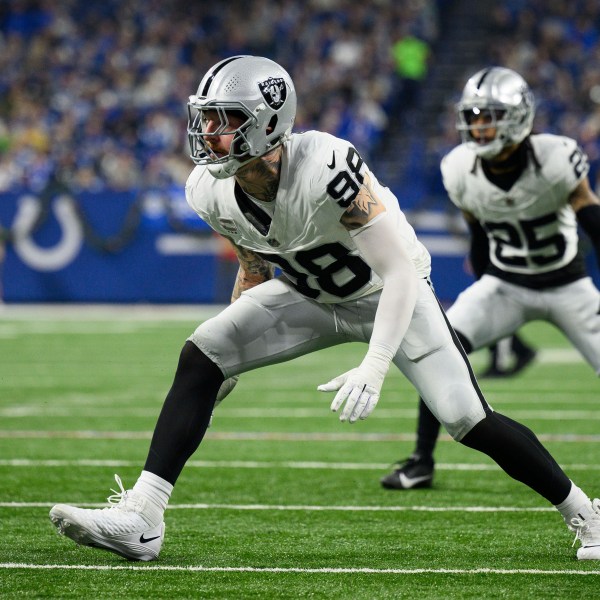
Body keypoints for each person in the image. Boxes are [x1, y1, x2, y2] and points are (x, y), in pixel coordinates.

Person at [48, 56, 600, 561]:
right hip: (313, 296)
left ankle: (585, 514)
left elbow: (400, 272)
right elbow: (256, 267)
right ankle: (142, 518)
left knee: (468, 421)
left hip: (390, 296)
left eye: (224, 120)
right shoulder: (208, 190)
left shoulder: (328, 164)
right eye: (207, 118)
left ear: (266, 123)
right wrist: (230, 352)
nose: (208, 132)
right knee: (203, 354)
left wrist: (376, 363)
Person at [381, 66, 600, 492]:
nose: (479, 126)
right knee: (436, 348)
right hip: (506, 284)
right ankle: (421, 460)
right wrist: (486, 293)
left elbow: (589, 212)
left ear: (519, 116)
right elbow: (479, 237)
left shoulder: (556, 156)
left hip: (568, 284)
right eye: (474, 116)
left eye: (490, 116)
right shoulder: (459, 168)